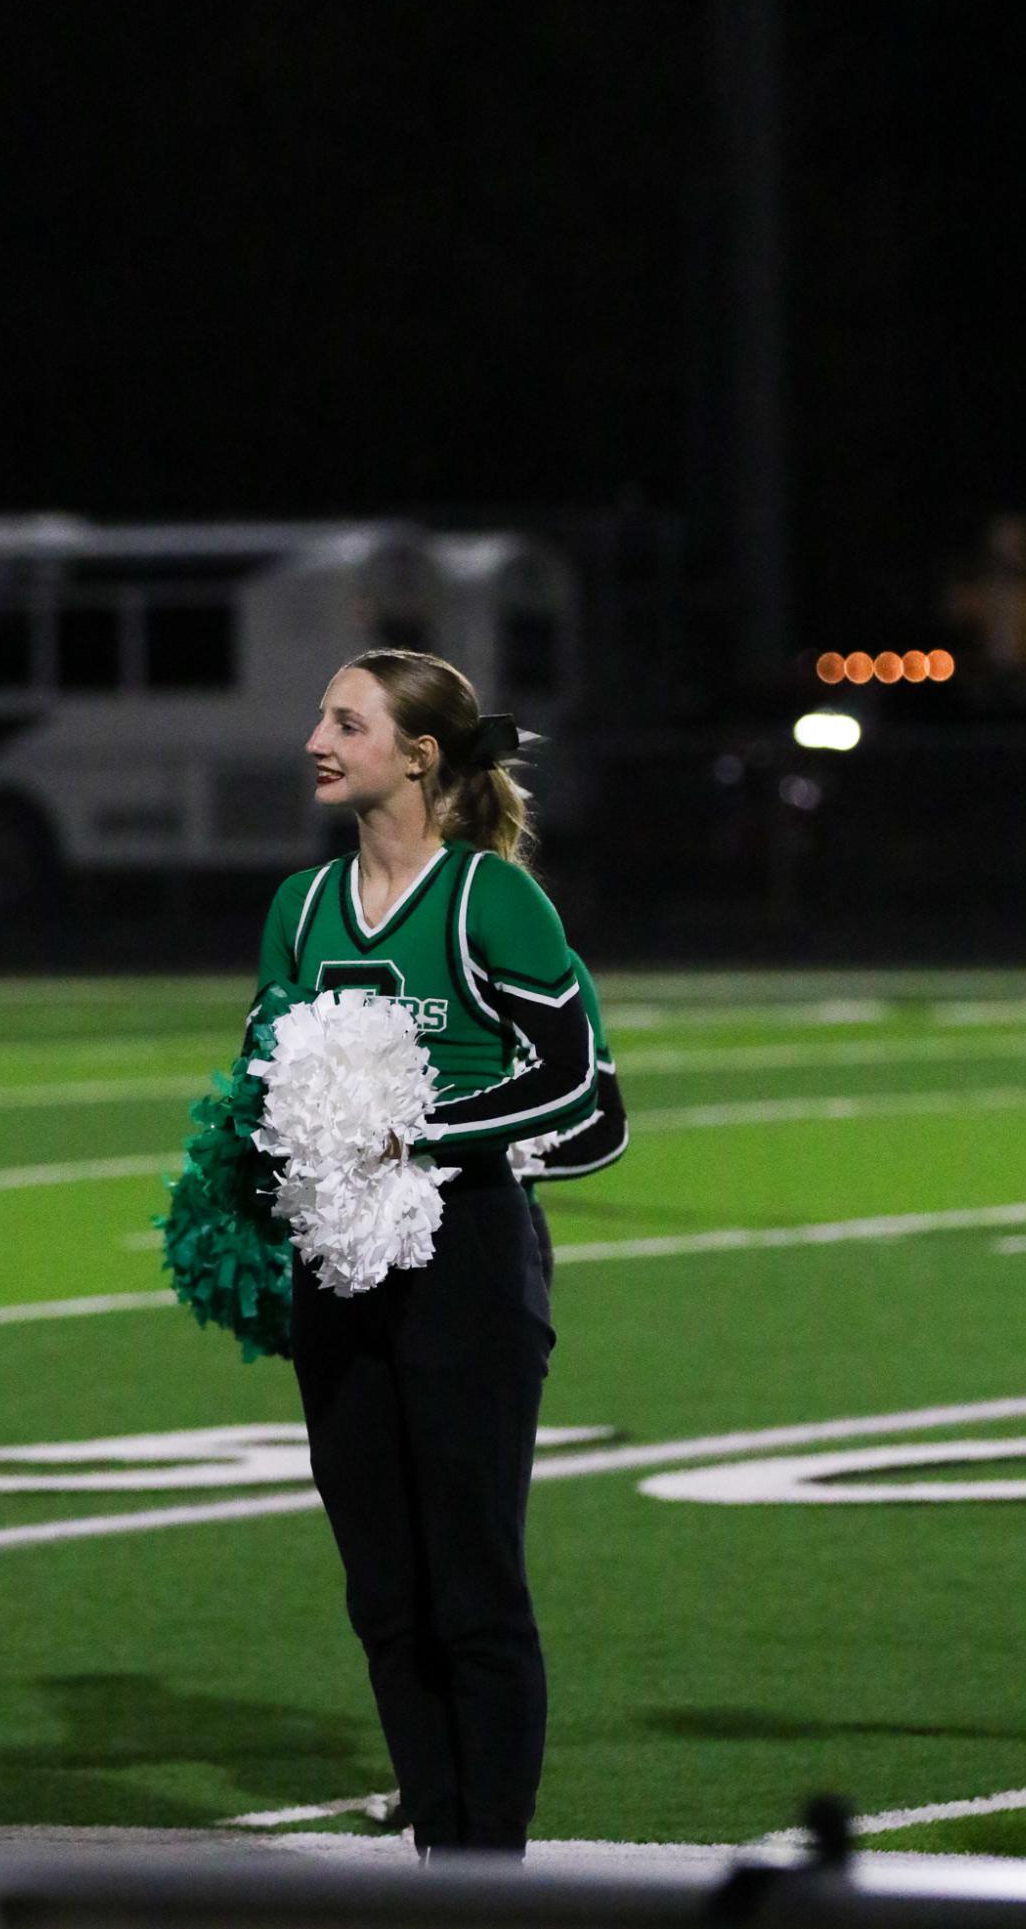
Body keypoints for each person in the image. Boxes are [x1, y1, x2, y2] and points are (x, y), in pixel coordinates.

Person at [249, 647, 600, 1857]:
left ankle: (487, 1859)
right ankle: (434, 1855)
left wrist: (421, 1134)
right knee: (381, 1586)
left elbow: (577, 1083)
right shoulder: (296, 910)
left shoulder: (491, 897)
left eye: (343, 720)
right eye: (318, 714)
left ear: (417, 756)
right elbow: (258, 1070)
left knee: (471, 1578)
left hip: (465, 1258)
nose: (315, 739)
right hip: (336, 1268)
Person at [512, 950, 629, 1288]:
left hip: (501, 1229)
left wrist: (502, 1157)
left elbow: (606, 1124)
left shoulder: (553, 964)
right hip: (367, 1228)